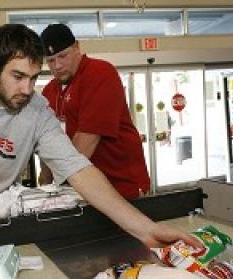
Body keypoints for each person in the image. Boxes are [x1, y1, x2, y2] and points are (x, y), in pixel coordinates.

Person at [0, 23, 201, 249]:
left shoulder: (36, 111)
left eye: (34, 78)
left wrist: (147, 230)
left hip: (3, 207)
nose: (27, 89)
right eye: (18, 76)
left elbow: (77, 167)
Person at [39, 23, 150, 200]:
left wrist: (56, 190)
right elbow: (46, 143)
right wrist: (45, 185)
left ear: (77, 48)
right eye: (51, 60)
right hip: (81, 189)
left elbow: (85, 144)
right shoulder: (50, 91)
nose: (57, 65)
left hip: (120, 186)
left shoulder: (100, 73)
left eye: (62, 56)